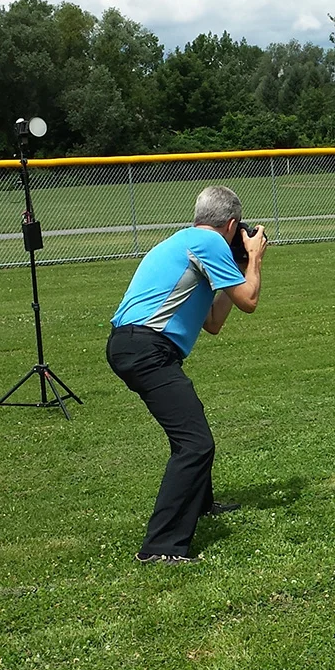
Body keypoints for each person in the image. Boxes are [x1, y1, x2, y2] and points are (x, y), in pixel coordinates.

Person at [106, 185, 267, 565]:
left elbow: (213, 321)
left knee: (190, 429)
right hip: (146, 348)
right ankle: (160, 547)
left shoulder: (188, 240)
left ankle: (202, 504)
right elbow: (250, 301)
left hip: (136, 345)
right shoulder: (209, 243)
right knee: (195, 442)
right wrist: (255, 260)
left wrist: (239, 270)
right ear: (231, 223)